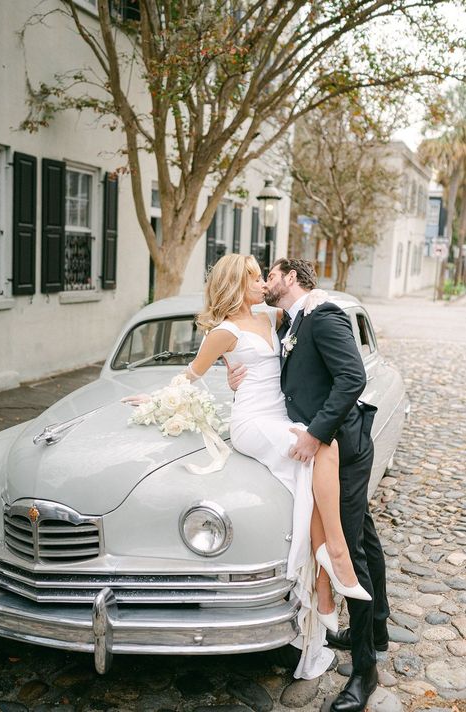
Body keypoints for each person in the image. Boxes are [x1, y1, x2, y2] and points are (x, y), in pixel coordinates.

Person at [123, 253, 371, 682]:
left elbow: (306, 309)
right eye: (255, 278)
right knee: (318, 449)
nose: (262, 284)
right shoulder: (223, 332)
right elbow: (190, 375)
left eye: (264, 277)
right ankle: (335, 553)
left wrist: (313, 300)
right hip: (253, 421)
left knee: (309, 482)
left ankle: (325, 584)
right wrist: (156, 400)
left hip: (283, 415)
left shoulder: (273, 319)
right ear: (237, 284)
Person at [228, 257, 389, 712]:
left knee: (349, 548)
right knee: (366, 534)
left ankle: (365, 670)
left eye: (271, 275)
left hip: (341, 447)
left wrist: (316, 433)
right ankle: (376, 623)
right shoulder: (287, 323)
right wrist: (233, 374)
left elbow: (352, 377)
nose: (266, 282)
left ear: (291, 278)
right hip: (315, 451)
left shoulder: (324, 315)